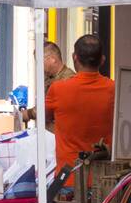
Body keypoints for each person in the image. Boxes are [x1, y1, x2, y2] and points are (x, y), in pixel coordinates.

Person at [43, 35, 115, 178]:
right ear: (102, 60)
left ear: (74, 58)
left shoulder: (58, 89)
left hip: (68, 178)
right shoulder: (114, 89)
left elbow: (44, 118)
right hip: (105, 179)